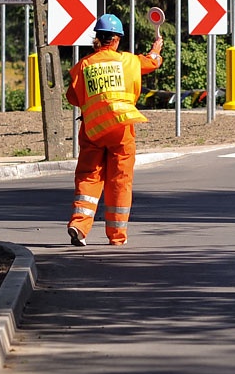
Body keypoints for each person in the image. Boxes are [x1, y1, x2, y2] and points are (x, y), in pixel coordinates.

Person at [65, 13, 163, 246]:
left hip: (92, 131)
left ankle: (79, 226)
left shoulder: (83, 66)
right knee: (120, 180)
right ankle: (117, 236)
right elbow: (153, 61)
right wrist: (157, 47)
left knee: (88, 177)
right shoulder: (129, 62)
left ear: (97, 38)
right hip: (121, 130)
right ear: (117, 39)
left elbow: (72, 98)